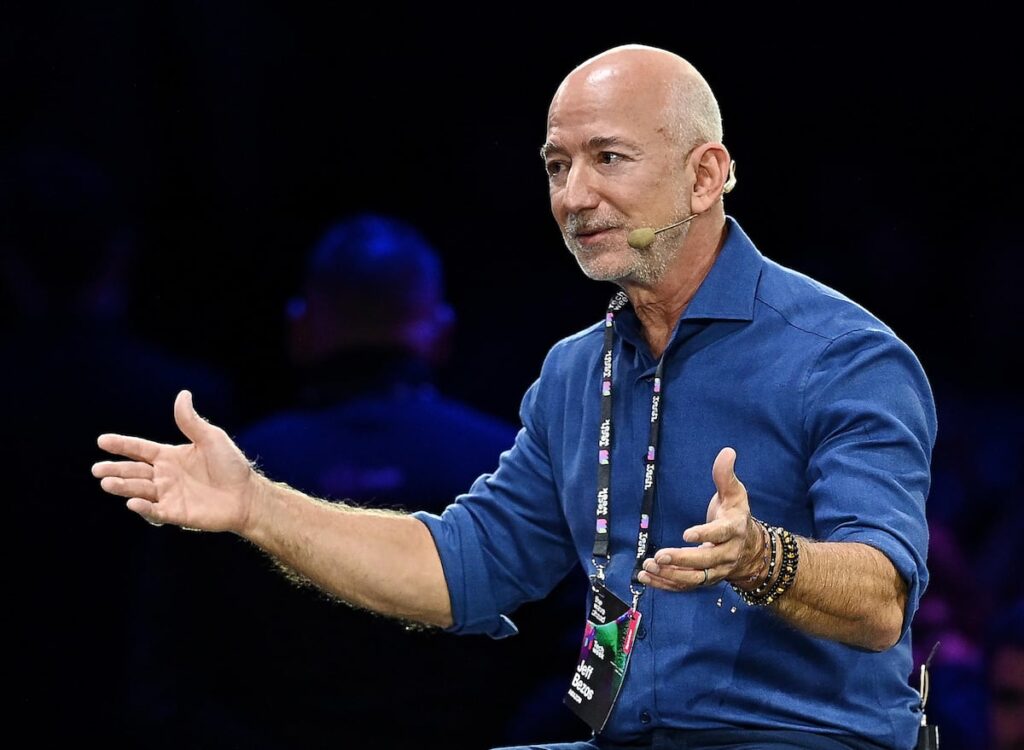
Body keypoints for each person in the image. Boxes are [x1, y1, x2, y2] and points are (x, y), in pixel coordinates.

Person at [93, 44, 936, 750]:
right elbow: (462, 568)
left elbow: (882, 601)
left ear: (705, 175)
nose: (574, 196)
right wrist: (257, 507)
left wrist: (760, 558)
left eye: (608, 158)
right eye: (557, 166)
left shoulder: (842, 355)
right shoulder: (575, 374)